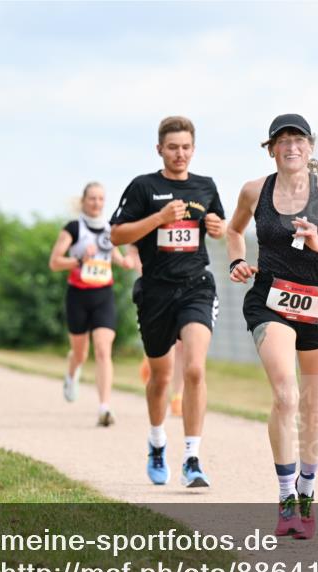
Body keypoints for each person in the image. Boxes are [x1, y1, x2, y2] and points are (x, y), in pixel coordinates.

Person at [226, 114, 318, 539]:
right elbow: (234, 231)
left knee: (314, 406)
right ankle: (286, 499)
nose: (291, 146)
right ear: (270, 148)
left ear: (311, 147)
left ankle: (307, 491)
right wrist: (236, 260)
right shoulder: (255, 190)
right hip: (271, 303)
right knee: (286, 395)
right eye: (282, 140)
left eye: (298, 139)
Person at [109, 115, 225, 488]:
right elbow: (116, 234)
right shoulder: (144, 187)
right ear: (159, 149)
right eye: (173, 147)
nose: (180, 154)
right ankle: (157, 442)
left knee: (193, 369)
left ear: (194, 149)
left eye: (186, 147)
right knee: (160, 376)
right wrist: (158, 218)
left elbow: (219, 225)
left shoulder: (205, 186)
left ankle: (192, 457)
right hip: (155, 291)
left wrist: (219, 229)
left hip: (196, 286)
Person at [49, 182, 135, 426]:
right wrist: (78, 258)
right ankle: (72, 371)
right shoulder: (73, 229)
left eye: (100, 199)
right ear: (84, 201)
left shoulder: (110, 230)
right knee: (80, 353)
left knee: (103, 349)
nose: (96, 203)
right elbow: (54, 262)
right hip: (77, 295)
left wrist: (125, 262)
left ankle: (104, 407)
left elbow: (115, 256)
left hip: (103, 296)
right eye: (92, 199)